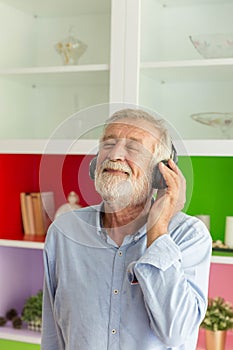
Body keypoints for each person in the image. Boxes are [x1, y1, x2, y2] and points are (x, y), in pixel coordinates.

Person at [41, 108, 212, 350]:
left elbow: (176, 333)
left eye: (134, 147)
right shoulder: (64, 232)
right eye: (108, 144)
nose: (115, 154)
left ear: (161, 172)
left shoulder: (189, 236)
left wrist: (158, 229)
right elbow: (52, 335)